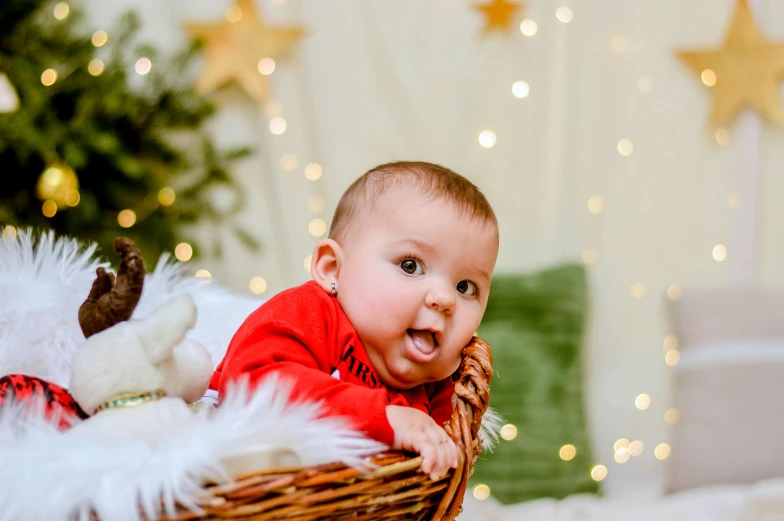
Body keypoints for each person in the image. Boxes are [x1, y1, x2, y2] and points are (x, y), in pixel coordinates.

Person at [209, 161, 499, 480]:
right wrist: (382, 418)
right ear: (333, 269)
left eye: (465, 287)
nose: (444, 299)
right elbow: (250, 381)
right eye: (410, 266)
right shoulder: (311, 312)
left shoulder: (439, 385)